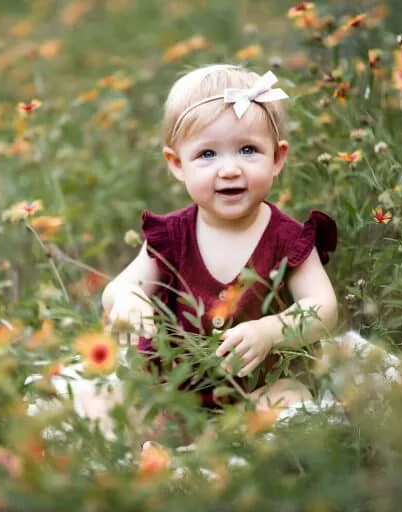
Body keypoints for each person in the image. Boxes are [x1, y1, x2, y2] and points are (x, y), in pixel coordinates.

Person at [100, 63, 339, 428]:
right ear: (177, 164)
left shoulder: (286, 238)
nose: (229, 169)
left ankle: (216, 450)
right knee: (114, 404)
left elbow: (323, 308)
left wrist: (268, 330)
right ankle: (168, 453)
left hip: (254, 390)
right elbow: (118, 287)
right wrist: (128, 299)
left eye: (247, 150)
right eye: (207, 155)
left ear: (277, 158)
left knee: (291, 398)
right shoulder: (172, 236)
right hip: (175, 391)